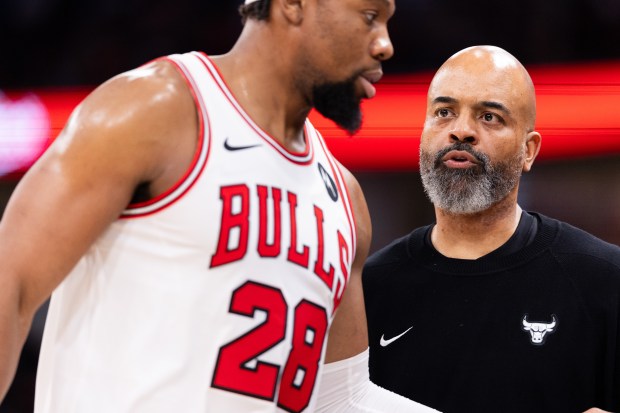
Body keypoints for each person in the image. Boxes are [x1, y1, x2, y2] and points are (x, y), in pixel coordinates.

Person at [0, 0, 440, 412]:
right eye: (369, 16)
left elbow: (340, 398)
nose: (385, 44)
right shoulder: (160, 108)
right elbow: (11, 280)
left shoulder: (345, 199)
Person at [363, 45, 620, 413]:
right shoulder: (371, 289)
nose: (461, 131)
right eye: (444, 112)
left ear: (528, 150)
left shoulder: (604, 281)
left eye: (489, 117)